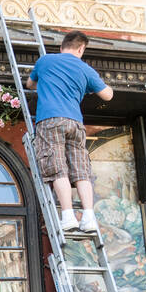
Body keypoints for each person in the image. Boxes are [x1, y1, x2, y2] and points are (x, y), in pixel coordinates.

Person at [25, 30, 114, 234]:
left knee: (57, 168)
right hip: (75, 123)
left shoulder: (45, 61)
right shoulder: (85, 69)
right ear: (81, 48)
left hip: (50, 120)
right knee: (81, 171)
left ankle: (68, 216)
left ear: (61, 47)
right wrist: (88, 86)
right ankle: (89, 217)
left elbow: (30, 84)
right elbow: (108, 95)